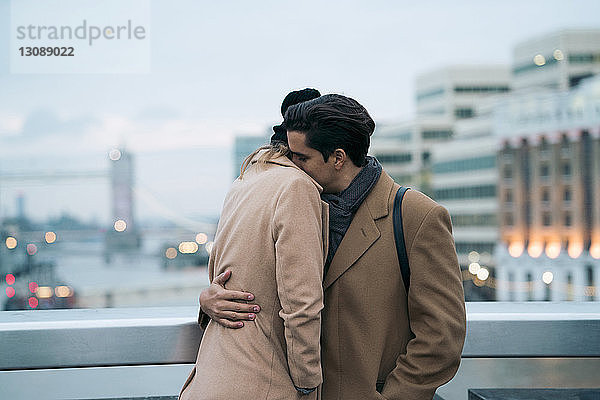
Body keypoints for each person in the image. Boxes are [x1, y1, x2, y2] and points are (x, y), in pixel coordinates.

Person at [198, 93, 467, 400]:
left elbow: (442, 337)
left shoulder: (417, 216)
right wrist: (209, 300)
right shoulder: (292, 201)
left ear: (338, 158)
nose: (289, 164)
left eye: (301, 158)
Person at [179, 89, 327, 400]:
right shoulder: (297, 187)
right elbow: (301, 304)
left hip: (213, 377)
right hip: (261, 382)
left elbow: (219, 274)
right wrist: (307, 383)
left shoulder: (244, 182)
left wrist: (207, 299)